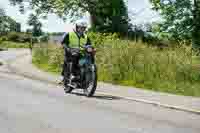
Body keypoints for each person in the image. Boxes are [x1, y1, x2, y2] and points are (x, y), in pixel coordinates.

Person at [58, 20, 92, 84]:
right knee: (74, 56)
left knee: (90, 55)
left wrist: (91, 49)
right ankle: (73, 75)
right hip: (70, 53)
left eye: (84, 28)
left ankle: (90, 72)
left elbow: (89, 45)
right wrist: (68, 49)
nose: (83, 29)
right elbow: (63, 43)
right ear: (77, 27)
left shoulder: (86, 37)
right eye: (81, 27)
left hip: (81, 53)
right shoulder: (69, 34)